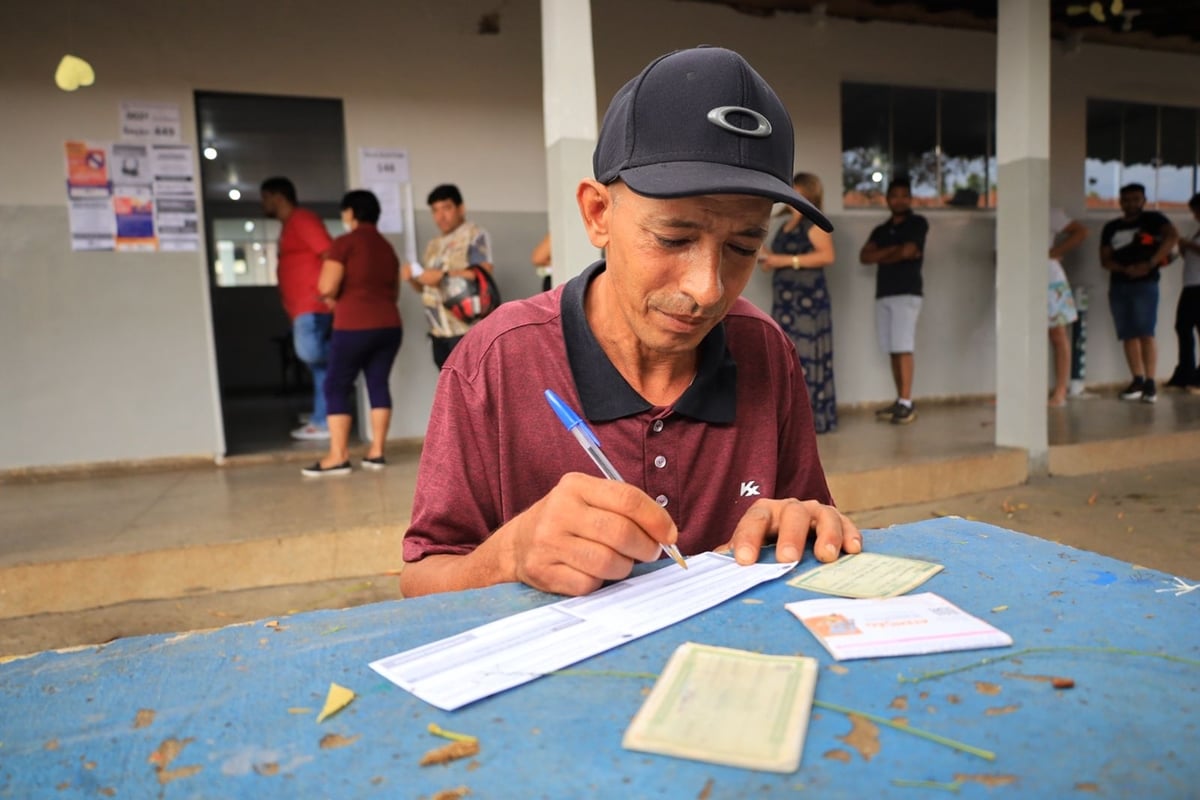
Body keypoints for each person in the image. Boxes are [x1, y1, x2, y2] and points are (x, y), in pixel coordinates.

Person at [400, 46, 862, 599]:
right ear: (598, 213)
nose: (707, 288)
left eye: (743, 246)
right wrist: (511, 554)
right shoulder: (496, 359)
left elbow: (807, 520)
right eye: (674, 238)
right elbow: (421, 582)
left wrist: (804, 523)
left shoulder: (765, 349)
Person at [301, 190, 403, 477]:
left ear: (350, 213)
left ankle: (338, 456)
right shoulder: (387, 248)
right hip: (389, 325)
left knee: (336, 386)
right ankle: (377, 452)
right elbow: (394, 293)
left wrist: (332, 295)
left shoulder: (344, 243)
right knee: (378, 384)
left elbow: (326, 286)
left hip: (353, 325)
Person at [758, 172, 837, 433]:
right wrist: (767, 259)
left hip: (808, 304)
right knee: (786, 357)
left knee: (806, 356)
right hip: (786, 302)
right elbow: (776, 261)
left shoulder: (814, 224)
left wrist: (786, 261)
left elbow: (827, 256)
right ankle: (791, 423)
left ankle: (813, 420)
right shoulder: (784, 225)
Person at [260, 177, 334, 440]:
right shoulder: (289, 226)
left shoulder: (303, 220)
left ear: (278, 197)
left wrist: (328, 292)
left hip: (314, 306)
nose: (263, 204)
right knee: (318, 368)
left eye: (265, 198)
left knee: (313, 355)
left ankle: (345, 362)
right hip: (302, 309)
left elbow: (330, 254)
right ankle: (322, 417)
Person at [1099, 183, 1179, 404]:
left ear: (1143, 200)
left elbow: (1172, 238)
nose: (1131, 203)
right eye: (1126, 199)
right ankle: (1137, 379)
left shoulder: (1154, 220)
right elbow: (1105, 259)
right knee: (1128, 333)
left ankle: (1151, 383)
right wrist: (1124, 269)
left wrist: (1149, 264)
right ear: (1120, 201)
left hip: (1146, 284)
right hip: (1119, 284)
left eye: (1136, 199)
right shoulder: (1111, 227)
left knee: (1145, 332)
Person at [858, 179, 928, 424]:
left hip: (906, 293)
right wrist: (896, 252)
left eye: (903, 195)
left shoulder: (917, 223)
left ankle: (907, 403)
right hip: (884, 294)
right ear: (887, 199)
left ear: (910, 198)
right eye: (894, 195)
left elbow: (910, 251)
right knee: (892, 348)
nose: (899, 200)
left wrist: (884, 254)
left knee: (903, 347)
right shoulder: (881, 229)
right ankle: (900, 400)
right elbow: (865, 257)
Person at [405, 184, 494, 368]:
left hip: (465, 329)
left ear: (461, 208)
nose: (440, 216)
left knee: (469, 388)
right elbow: (423, 287)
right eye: (435, 210)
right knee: (447, 389)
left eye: (446, 208)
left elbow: (484, 273)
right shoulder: (433, 245)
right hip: (438, 330)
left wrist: (444, 275)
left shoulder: (474, 234)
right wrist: (412, 278)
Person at [1048, 208, 1088, 406]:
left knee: (1057, 334)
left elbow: (1080, 231)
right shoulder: (1007, 211)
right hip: (1018, 279)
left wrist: (1054, 253)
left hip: (1050, 280)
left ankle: (1060, 391)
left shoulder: (1048, 212)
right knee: (1016, 335)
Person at [1166, 193, 1200, 394]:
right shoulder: (1197, 232)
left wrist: (1188, 245)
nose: (1195, 215)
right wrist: (1183, 247)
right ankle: (1185, 371)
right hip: (1191, 284)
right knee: (1183, 326)